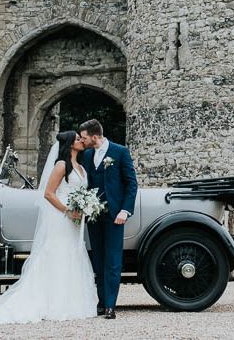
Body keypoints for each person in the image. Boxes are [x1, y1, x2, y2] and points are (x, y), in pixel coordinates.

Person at [0, 131, 96, 324]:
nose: (81, 141)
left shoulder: (80, 167)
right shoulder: (61, 165)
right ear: (69, 144)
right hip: (62, 218)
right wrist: (68, 211)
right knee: (59, 254)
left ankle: (71, 301)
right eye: (77, 139)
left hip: (76, 219)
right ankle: (53, 302)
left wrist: (85, 206)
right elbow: (49, 194)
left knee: (73, 253)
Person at [80, 119, 138, 320]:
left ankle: (111, 306)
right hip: (93, 216)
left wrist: (125, 210)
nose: (82, 140)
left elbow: (131, 184)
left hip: (115, 216)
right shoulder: (87, 155)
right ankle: (101, 302)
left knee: (113, 261)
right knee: (98, 260)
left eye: (85, 137)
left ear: (94, 136)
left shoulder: (120, 151)